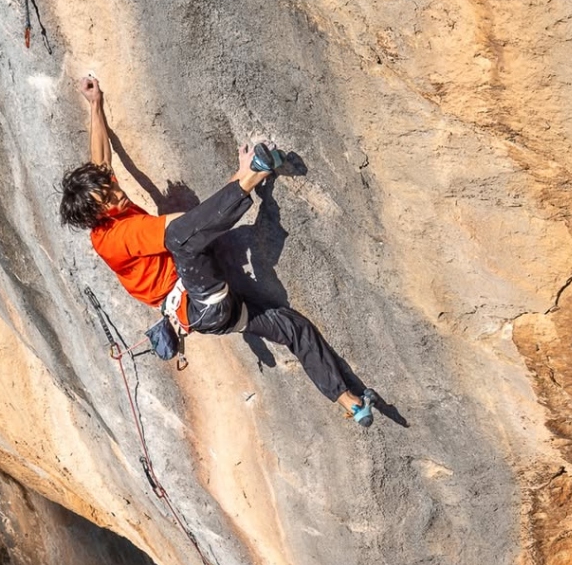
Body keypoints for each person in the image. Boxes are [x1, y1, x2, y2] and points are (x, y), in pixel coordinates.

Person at [59, 76, 374, 425]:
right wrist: (241, 176)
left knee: (294, 328)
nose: (118, 194)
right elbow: (188, 226)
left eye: (111, 188)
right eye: (109, 198)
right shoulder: (118, 236)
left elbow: (100, 161)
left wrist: (95, 104)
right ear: (97, 214)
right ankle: (256, 174)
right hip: (199, 302)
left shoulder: (103, 200)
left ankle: (351, 402)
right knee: (180, 240)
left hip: (218, 316)